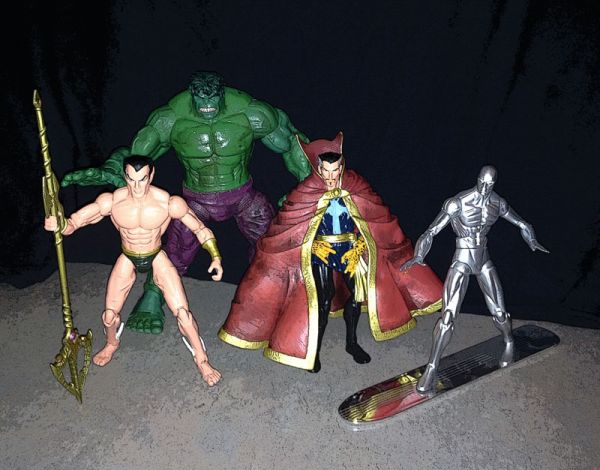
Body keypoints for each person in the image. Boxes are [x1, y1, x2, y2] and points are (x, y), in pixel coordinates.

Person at [61, 71, 311, 334]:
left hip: (242, 195)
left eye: (212, 98)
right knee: (176, 248)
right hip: (196, 198)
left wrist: (306, 184)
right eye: (200, 98)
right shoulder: (171, 118)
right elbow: (136, 155)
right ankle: (153, 295)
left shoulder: (251, 112)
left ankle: (272, 295)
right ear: (192, 94)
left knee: (273, 242)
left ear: (222, 93)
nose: (207, 104)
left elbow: (293, 143)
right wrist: (110, 169)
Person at [219, 132, 443, 372]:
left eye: (335, 170)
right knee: (322, 300)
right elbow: (293, 228)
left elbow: (372, 219)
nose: (330, 176)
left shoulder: (356, 186)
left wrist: (359, 244)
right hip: (321, 252)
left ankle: (352, 343)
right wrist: (314, 246)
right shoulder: (306, 192)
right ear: (318, 169)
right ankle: (312, 351)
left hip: (349, 250)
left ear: (341, 167)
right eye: (325, 171)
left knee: (356, 296)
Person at [45, 155, 223, 386]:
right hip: (128, 257)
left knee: (183, 315)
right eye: (131, 179)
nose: (137, 186)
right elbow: (75, 223)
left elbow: (200, 229)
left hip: (156, 255)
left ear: (151, 176)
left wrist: (215, 256)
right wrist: (59, 224)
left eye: (142, 179)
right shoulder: (113, 201)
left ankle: (202, 360)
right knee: (109, 316)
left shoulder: (168, 203)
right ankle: (111, 343)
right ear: (125, 176)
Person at [401, 165, 549, 393]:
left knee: (499, 312)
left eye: (490, 184)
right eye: (482, 181)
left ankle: (509, 341)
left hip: (484, 259)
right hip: (461, 260)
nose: (485, 187)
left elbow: (522, 223)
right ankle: (432, 367)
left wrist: (532, 240)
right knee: (447, 316)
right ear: (477, 179)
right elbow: (431, 231)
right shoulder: (458, 202)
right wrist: (419, 256)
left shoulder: (497, 203)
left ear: (494, 183)